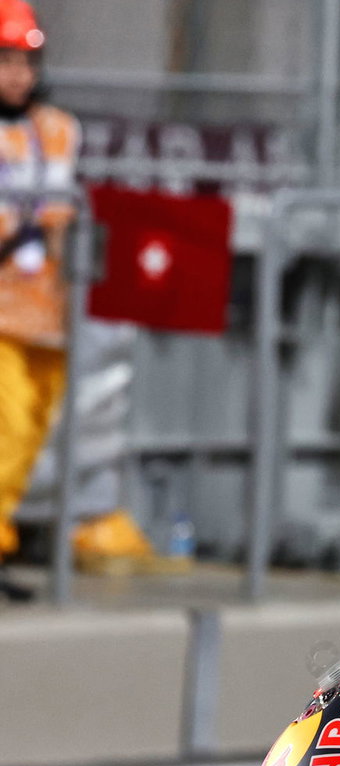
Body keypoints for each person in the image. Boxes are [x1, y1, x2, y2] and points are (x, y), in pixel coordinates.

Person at [0, 0, 80, 600]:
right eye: (6, 61)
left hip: (47, 310)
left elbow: (62, 214)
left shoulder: (58, 129)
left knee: (29, 434)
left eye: (26, 62)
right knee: (7, 426)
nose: (18, 75)